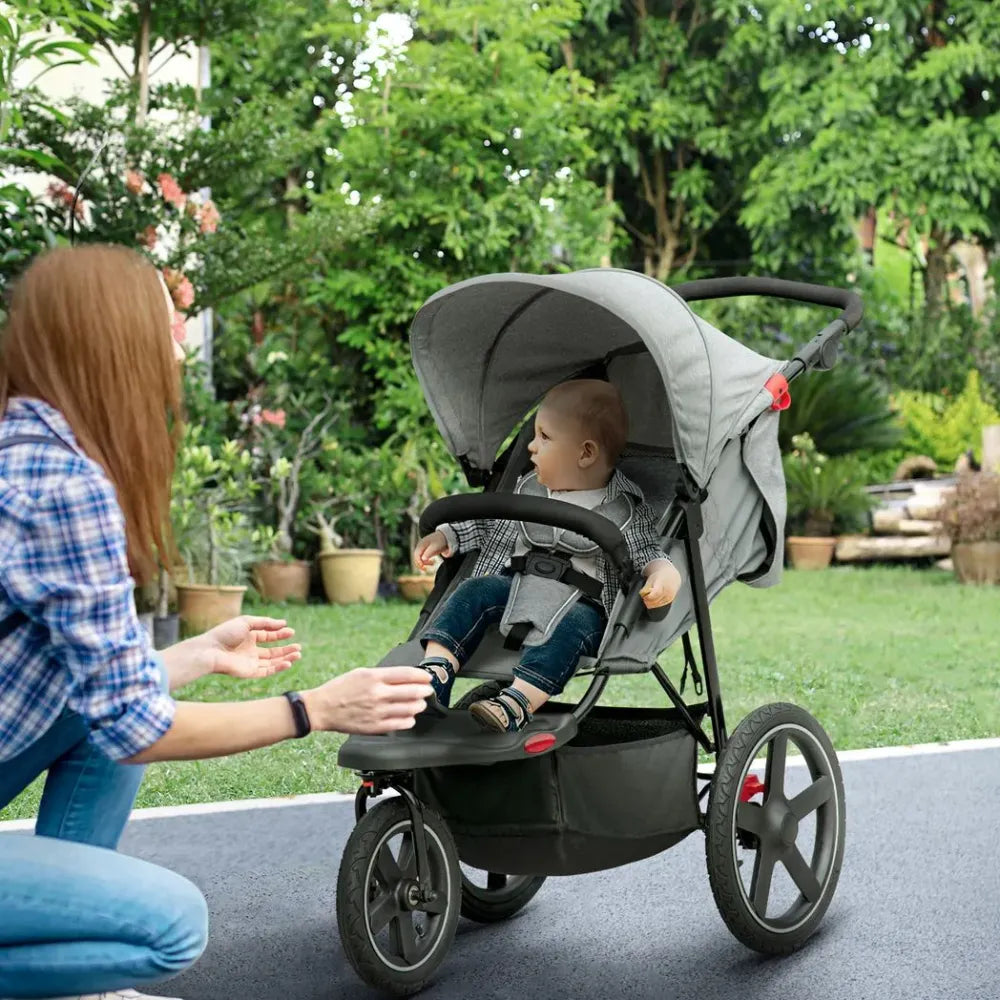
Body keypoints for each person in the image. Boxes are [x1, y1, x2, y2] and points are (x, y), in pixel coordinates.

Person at [0, 245, 434, 1000]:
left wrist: (197, 654)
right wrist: (314, 710)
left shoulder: (24, 446)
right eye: (165, 334)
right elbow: (137, 726)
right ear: (112, 344)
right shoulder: (65, 485)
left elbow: (97, 691)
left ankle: (72, 983)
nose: (173, 353)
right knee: (171, 926)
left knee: (109, 719)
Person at [412, 379, 682, 732]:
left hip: (582, 603)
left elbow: (646, 550)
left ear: (585, 454)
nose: (531, 447)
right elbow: (492, 525)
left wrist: (663, 573)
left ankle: (517, 700)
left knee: (572, 631)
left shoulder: (623, 509)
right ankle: (435, 670)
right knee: (473, 591)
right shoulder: (529, 489)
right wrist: (448, 535)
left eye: (544, 437)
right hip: (516, 585)